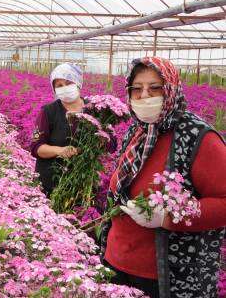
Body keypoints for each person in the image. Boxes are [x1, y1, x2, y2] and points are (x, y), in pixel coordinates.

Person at [100, 57, 226, 297]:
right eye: (136, 89)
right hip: (116, 262)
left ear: (171, 88)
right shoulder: (138, 131)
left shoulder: (197, 137)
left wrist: (168, 218)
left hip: (163, 277)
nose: (144, 96)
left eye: (154, 88)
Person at [30, 63, 85, 197]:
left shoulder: (95, 109)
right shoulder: (48, 112)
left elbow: (110, 144)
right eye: (59, 85)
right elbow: (36, 147)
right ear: (54, 89)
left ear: (77, 83)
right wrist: (60, 150)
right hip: (51, 183)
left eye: (68, 83)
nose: (64, 88)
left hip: (83, 183)